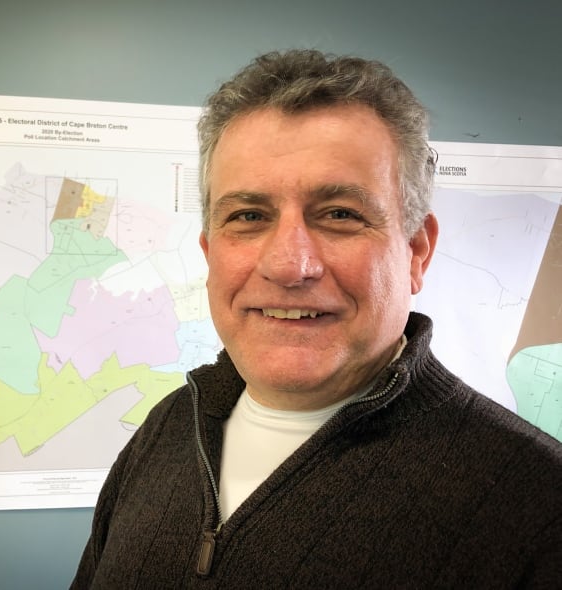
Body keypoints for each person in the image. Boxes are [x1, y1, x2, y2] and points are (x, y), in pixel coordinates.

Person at [72, 49, 562, 588]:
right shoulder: (169, 425)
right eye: (249, 216)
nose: (289, 265)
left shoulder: (537, 501)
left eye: (340, 214)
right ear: (211, 253)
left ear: (416, 252)